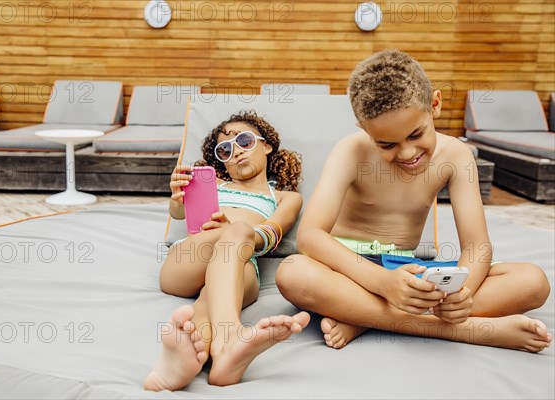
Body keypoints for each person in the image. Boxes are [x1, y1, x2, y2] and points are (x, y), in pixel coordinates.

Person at [275, 49, 552, 352]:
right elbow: (310, 236)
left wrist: (464, 293)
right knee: (293, 272)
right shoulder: (350, 151)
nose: (406, 153)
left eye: (416, 134)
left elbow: (477, 247)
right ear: (364, 129)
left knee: (532, 281)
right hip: (351, 270)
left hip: (408, 270)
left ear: (435, 104)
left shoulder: (457, 157)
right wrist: (382, 283)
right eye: (387, 144)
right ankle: (464, 330)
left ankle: (364, 317)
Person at [144, 110, 310, 391]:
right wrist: (177, 196)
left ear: (267, 145)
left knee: (212, 298)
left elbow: (271, 234)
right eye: (225, 150)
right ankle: (230, 339)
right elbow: (179, 212)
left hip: (242, 269)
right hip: (188, 261)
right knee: (238, 230)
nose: (236, 152)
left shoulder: (285, 197)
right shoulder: (216, 186)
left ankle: (185, 365)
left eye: (244, 141)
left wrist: (238, 232)